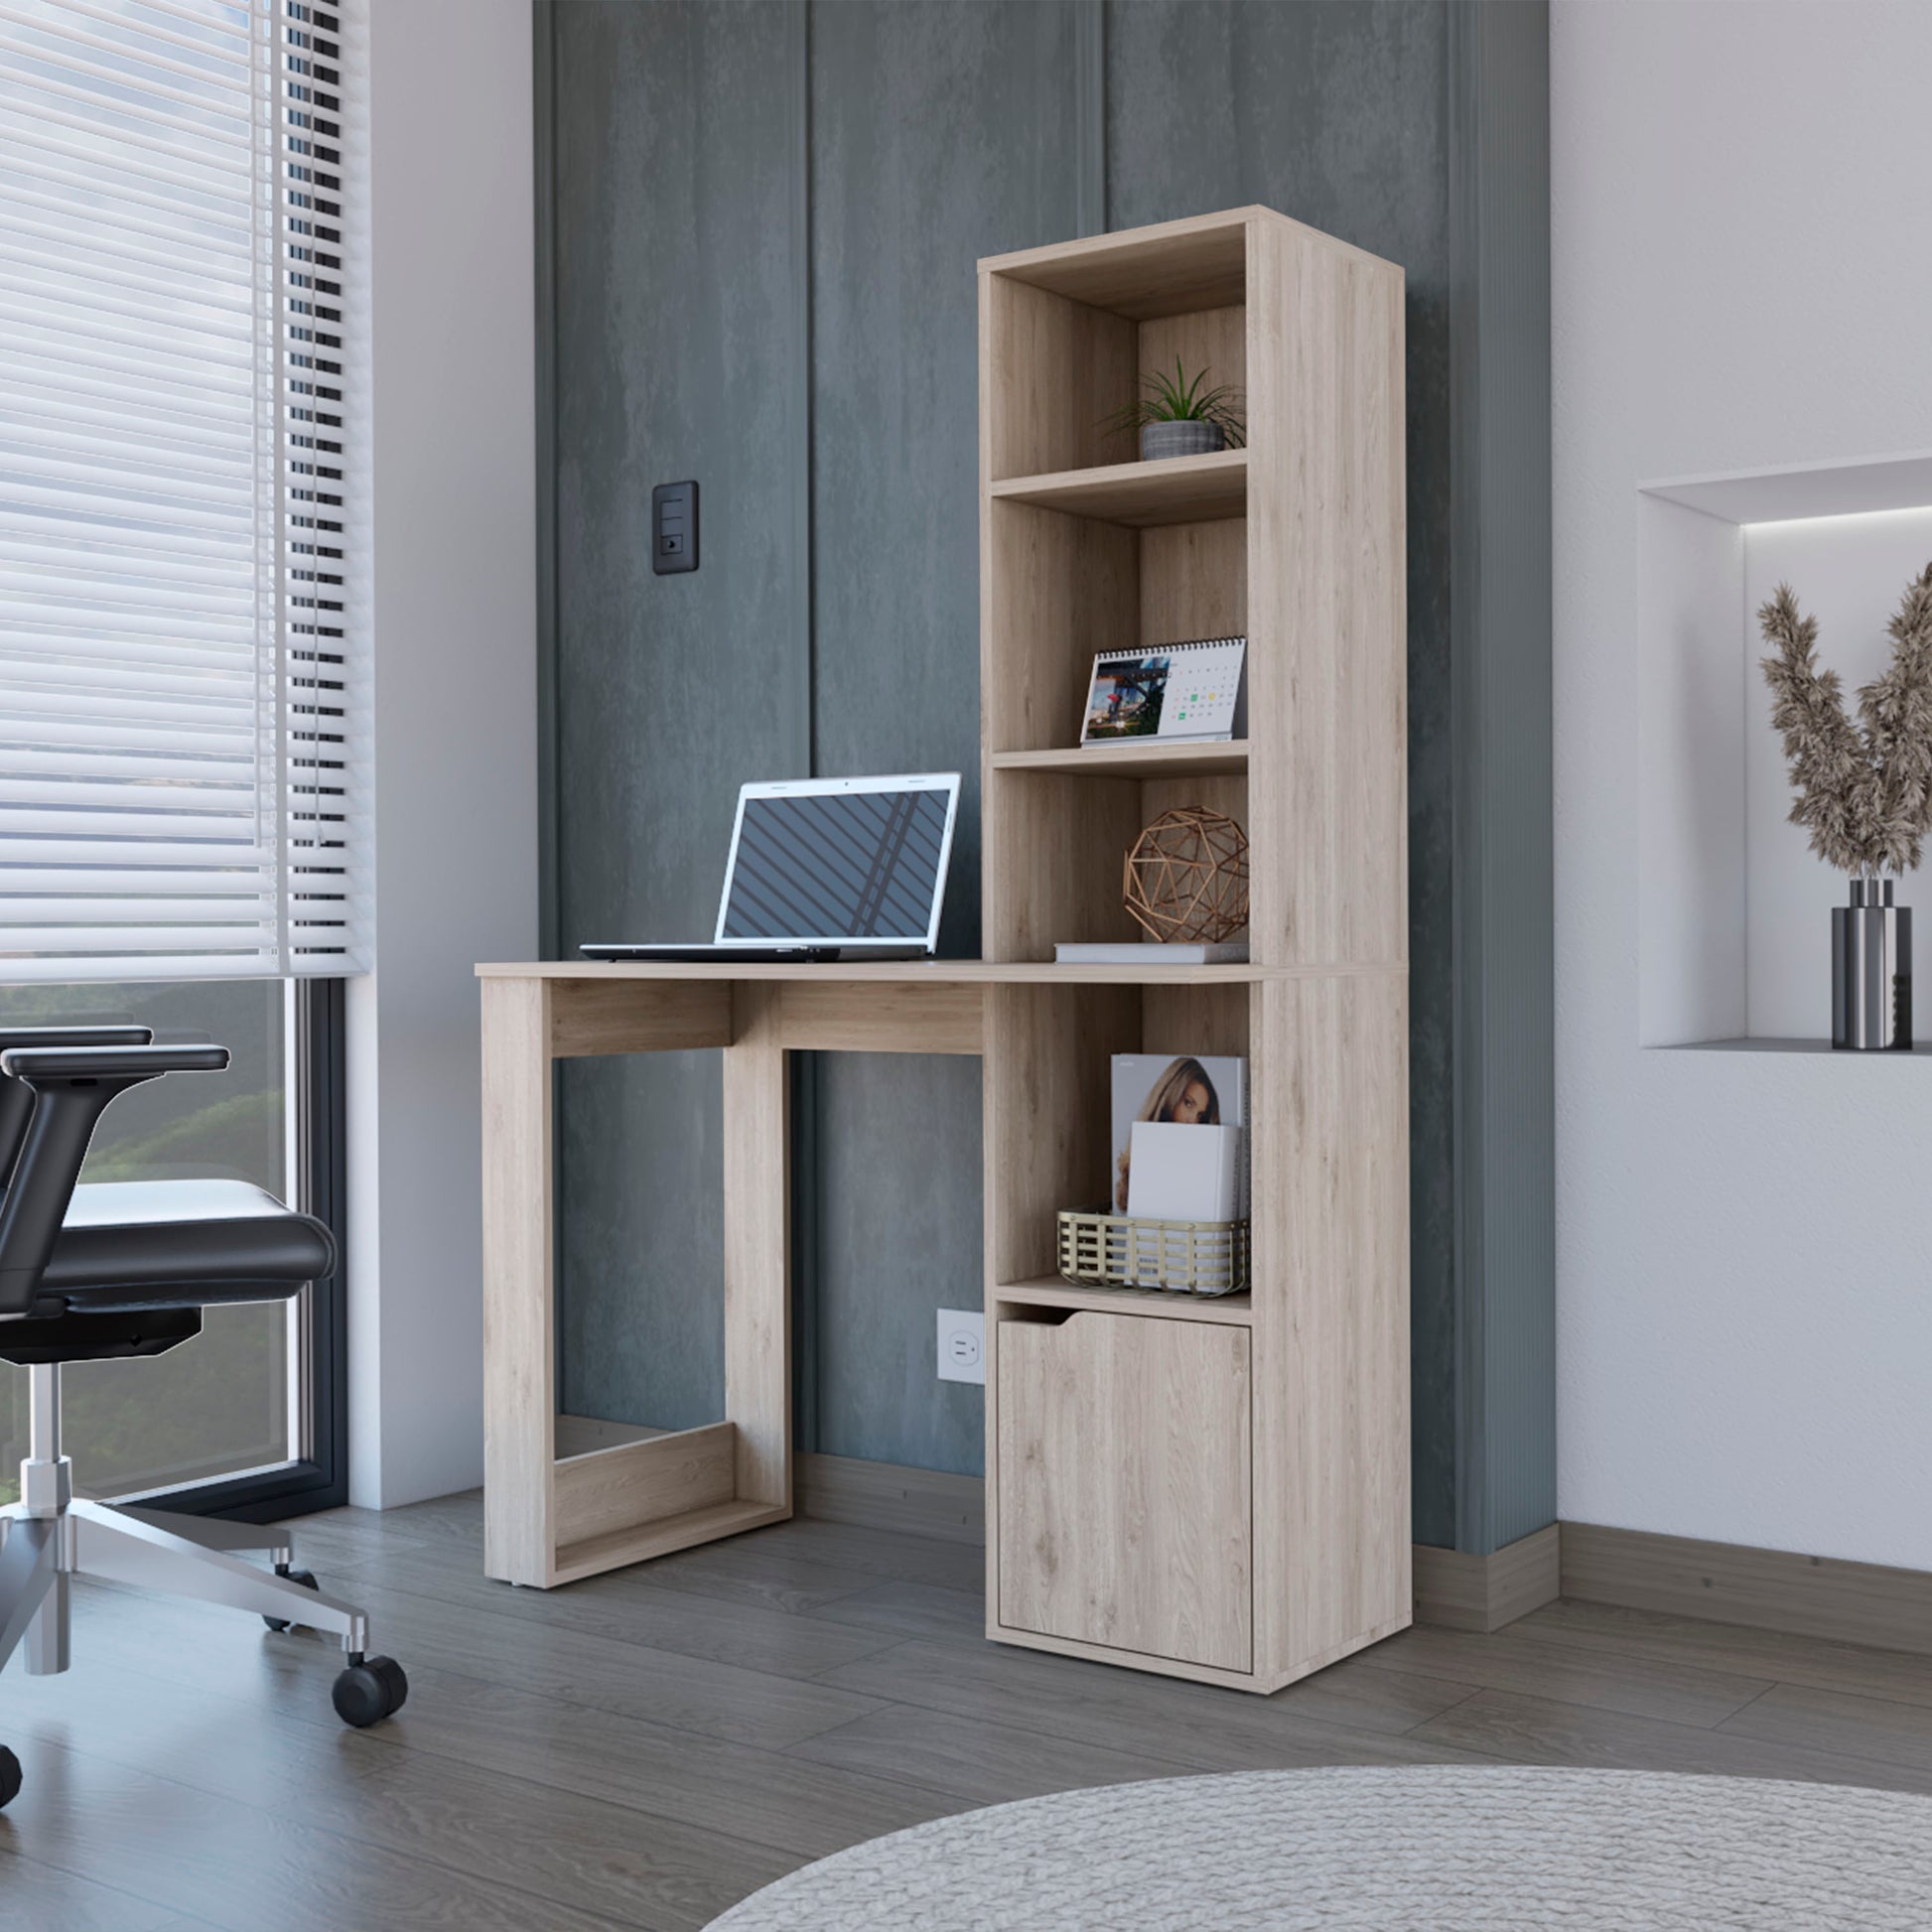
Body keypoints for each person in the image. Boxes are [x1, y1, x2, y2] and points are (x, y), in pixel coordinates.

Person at [1114, 1055, 1220, 1212]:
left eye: (1200, 1115)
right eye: (1188, 1103)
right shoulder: (1139, 1160)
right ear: (1170, 1096)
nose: (1193, 1121)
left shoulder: (1200, 1171)